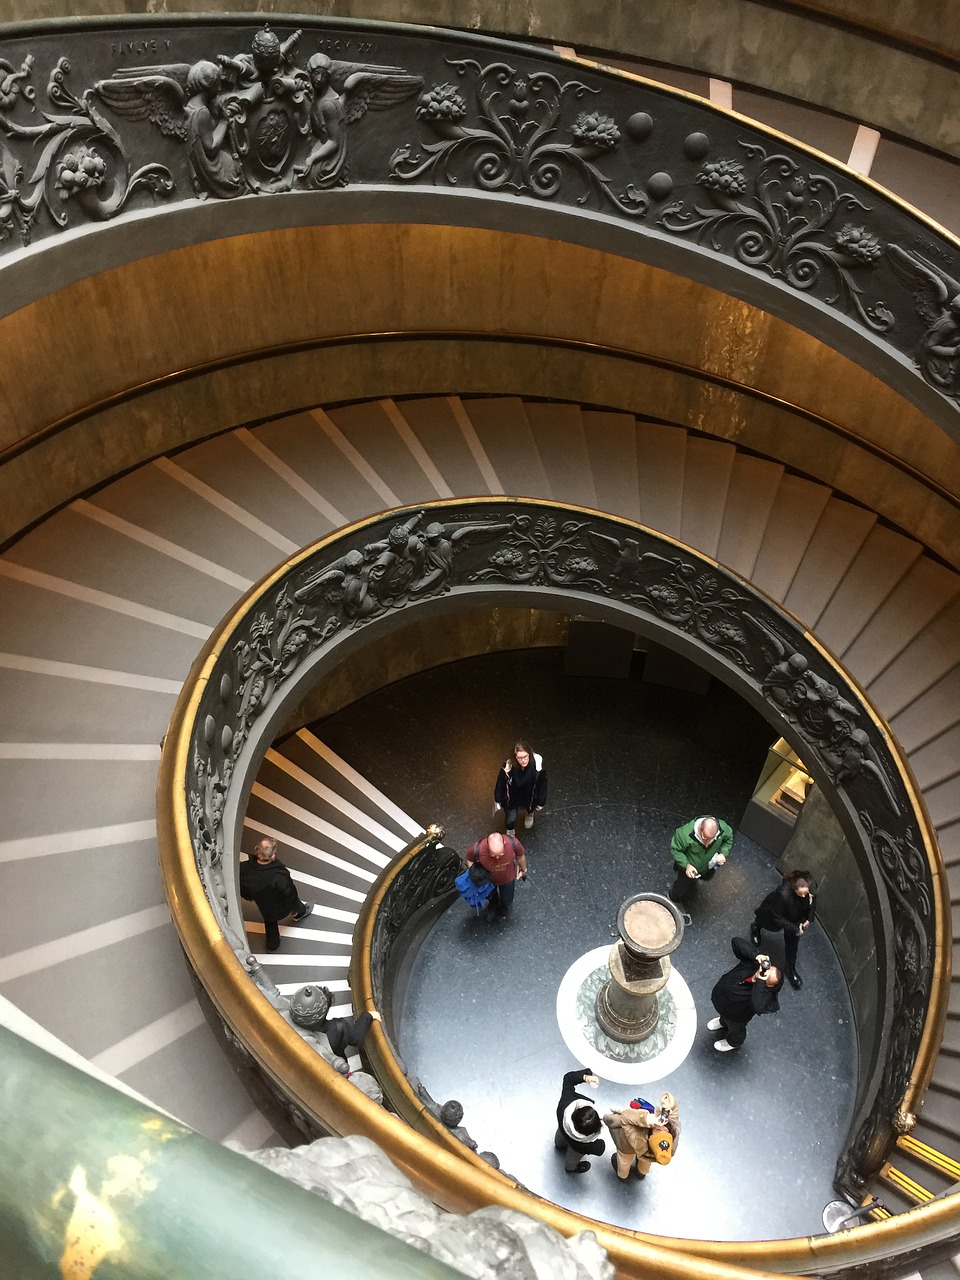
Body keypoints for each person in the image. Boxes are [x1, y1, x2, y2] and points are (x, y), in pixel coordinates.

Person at [709, 937, 783, 1051]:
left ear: (771, 985)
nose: (764, 972)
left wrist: (760, 981)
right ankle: (722, 1022)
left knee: (736, 1030)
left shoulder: (766, 996)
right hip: (722, 999)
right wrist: (755, 955)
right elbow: (736, 941)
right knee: (724, 1018)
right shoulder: (752, 964)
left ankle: (733, 1043)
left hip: (736, 1016)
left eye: (768, 978)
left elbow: (757, 1005)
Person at [239, 837, 311, 951]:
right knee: (295, 905)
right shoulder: (278, 875)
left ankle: (272, 946)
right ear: (272, 856)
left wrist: (249, 896)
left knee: (270, 922)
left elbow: (241, 885)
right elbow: (289, 893)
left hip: (263, 904)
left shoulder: (244, 868)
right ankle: (299, 913)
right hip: (280, 904)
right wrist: (294, 904)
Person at [751, 869, 818, 990]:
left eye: (806, 893)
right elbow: (776, 916)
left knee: (793, 945)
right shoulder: (782, 894)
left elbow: (813, 902)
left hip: (797, 917)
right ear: (794, 888)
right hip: (777, 912)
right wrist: (795, 929)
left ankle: (790, 968)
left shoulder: (811, 887)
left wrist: (808, 918)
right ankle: (756, 927)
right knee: (765, 922)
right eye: (801, 893)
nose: (804, 896)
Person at [604, 1092, 680, 1180]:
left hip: (626, 1147)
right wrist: (669, 1104)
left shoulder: (638, 1138)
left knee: (624, 1162)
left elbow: (625, 1118)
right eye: (666, 1132)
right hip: (649, 1154)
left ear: (651, 1136)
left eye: (658, 1130)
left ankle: (623, 1176)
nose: (662, 1126)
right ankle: (641, 1173)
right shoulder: (672, 1145)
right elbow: (674, 1115)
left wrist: (647, 1119)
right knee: (646, 1161)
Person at [668, 815, 733, 914]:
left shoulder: (723, 829)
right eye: (705, 838)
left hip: (708, 866)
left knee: (707, 877)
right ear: (700, 829)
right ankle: (673, 896)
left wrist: (723, 852)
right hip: (688, 868)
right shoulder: (684, 834)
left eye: (711, 839)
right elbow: (676, 850)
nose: (707, 842)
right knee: (681, 886)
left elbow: (728, 839)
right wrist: (686, 865)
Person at [465, 831, 527, 920]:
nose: (497, 858)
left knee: (507, 899)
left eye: (501, 854)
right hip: (488, 880)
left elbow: (520, 856)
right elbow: (470, 859)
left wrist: (523, 870)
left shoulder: (513, 843)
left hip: (507, 879)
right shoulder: (477, 848)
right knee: (491, 896)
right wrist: (475, 873)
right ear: (487, 847)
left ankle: (503, 909)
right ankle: (493, 906)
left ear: (504, 843)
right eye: (493, 855)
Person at [554, 1068, 605, 1174]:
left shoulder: (565, 1103)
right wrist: (600, 1144)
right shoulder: (583, 1145)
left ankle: (559, 1145)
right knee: (573, 1158)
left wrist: (585, 1077)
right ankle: (570, 1168)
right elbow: (600, 1149)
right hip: (575, 1147)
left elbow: (568, 1079)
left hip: (562, 1126)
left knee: (561, 1135)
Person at [494, 741, 547, 834]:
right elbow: (501, 782)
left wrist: (541, 801)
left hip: (530, 796)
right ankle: (510, 831)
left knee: (530, 807)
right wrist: (498, 797)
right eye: (519, 758)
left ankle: (529, 814)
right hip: (513, 798)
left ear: (529, 754)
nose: (523, 760)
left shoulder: (537, 765)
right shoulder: (508, 766)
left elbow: (543, 783)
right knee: (510, 819)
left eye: (525, 756)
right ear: (515, 757)